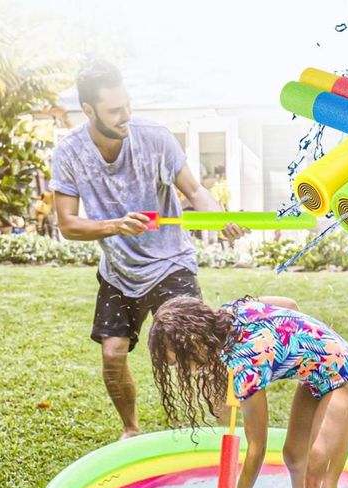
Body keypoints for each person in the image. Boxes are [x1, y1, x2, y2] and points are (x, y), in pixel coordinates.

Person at [50, 59, 245, 439]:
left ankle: (233, 435)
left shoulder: (154, 137)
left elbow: (195, 190)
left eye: (127, 105)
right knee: (112, 355)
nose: (126, 116)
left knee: (197, 351)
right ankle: (131, 430)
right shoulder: (70, 152)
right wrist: (114, 226)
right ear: (88, 110)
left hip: (171, 262)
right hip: (120, 270)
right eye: (114, 111)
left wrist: (218, 218)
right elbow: (68, 224)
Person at [148, 295, 348, 488]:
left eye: (181, 362)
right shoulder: (231, 312)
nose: (185, 370)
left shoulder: (245, 363)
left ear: (194, 342)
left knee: (320, 486)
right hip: (318, 372)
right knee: (294, 456)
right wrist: (307, 344)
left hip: (345, 378)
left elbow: (257, 447)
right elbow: (290, 305)